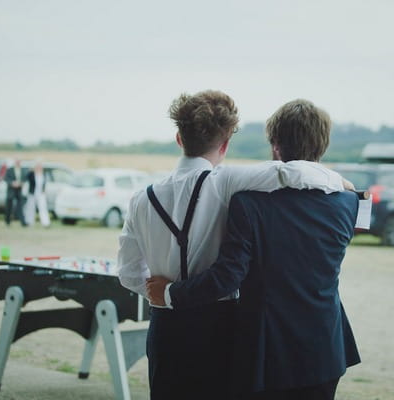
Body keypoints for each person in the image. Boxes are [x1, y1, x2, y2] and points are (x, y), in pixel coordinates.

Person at [117, 90, 353, 400]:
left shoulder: (140, 199)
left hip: (165, 327)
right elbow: (287, 171)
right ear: (226, 143)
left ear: (179, 138)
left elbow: (128, 273)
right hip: (219, 326)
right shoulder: (224, 182)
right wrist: (340, 183)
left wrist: (159, 293)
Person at [25, 161, 50, 227]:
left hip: (41, 193)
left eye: (40, 166)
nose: (39, 168)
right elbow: (26, 178)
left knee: (43, 208)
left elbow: (44, 183)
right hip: (32, 193)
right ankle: (29, 222)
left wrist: (44, 190)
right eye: (38, 166)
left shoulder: (43, 174)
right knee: (30, 208)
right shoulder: (31, 174)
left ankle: (45, 223)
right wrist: (30, 171)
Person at [4, 159, 26, 226]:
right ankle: (7, 221)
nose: (18, 163)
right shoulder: (10, 170)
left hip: (19, 191)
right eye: (17, 162)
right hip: (11, 190)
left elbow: (24, 178)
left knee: (20, 207)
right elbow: (6, 179)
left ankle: (23, 222)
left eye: (19, 162)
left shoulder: (23, 170)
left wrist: (21, 183)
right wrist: (12, 183)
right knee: (9, 207)